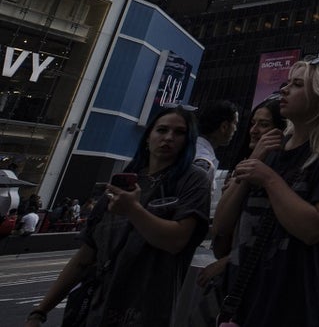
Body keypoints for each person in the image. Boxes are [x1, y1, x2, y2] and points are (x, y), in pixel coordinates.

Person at [24, 106, 210, 327]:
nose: (169, 137)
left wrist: (133, 210)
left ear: (188, 141)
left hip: (146, 312)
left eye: (179, 133)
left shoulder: (194, 181)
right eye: (162, 130)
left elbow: (176, 241)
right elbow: (85, 257)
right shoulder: (121, 185)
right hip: (93, 309)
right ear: (148, 136)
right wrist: (39, 312)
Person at [213, 58, 319, 327]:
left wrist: (267, 178)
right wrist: (256, 158)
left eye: (297, 84)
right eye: (286, 83)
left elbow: (313, 228)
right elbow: (220, 225)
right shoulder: (270, 149)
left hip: (293, 305)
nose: (285, 90)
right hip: (241, 297)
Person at [196, 96, 287, 291]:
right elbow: (220, 229)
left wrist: (228, 261)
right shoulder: (243, 166)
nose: (253, 130)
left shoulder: (283, 175)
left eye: (264, 125)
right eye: (253, 123)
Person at [194, 99, 239, 183]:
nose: (235, 129)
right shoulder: (203, 162)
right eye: (235, 124)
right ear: (224, 127)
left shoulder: (191, 148)